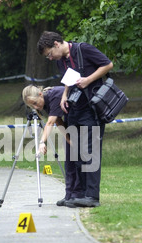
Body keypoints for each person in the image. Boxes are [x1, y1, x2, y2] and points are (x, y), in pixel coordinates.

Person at [37, 31, 114, 208]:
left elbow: (107, 64)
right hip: (73, 110)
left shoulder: (83, 49)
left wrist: (88, 80)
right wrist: (64, 95)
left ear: (56, 44)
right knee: (74, 153)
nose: (50, 58)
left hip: (91, 109)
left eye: (49, 53)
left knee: (90, 152)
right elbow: (68, 80)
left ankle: (92, 196)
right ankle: (75, 194)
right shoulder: (60, 61)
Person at [22, 85, 82, 207]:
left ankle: (77, 195)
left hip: (80, 118)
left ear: (40, 94)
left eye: (34, 103)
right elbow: (58, 121)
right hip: (70, 123)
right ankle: (69, 195)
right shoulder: (45, 103)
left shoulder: (54, 96)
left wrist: (41, 142)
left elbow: (50, 122)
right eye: (31, 106)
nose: (35, 107)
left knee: (77, 160)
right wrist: (68, 139)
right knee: (69, 161)